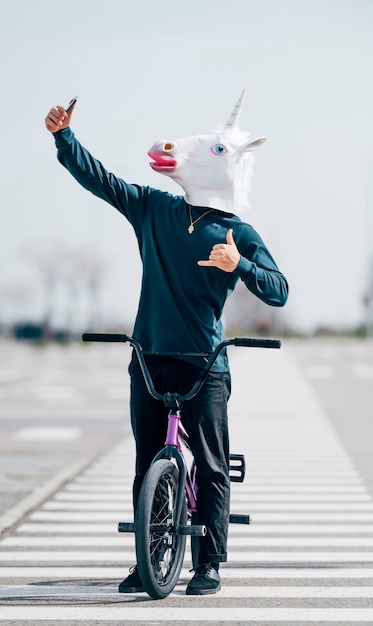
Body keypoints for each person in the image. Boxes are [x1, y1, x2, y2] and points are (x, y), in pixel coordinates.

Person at [45, 97, 288, 595]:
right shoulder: (155, 210)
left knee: (212, 465)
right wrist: (64, 139)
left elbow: (278, 289)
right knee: (146, 461)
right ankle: (148, 558)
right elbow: (104, 182)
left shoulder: (237, 233)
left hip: (205, 365)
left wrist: (237, 265)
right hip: (150, 358)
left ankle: (208, 564)